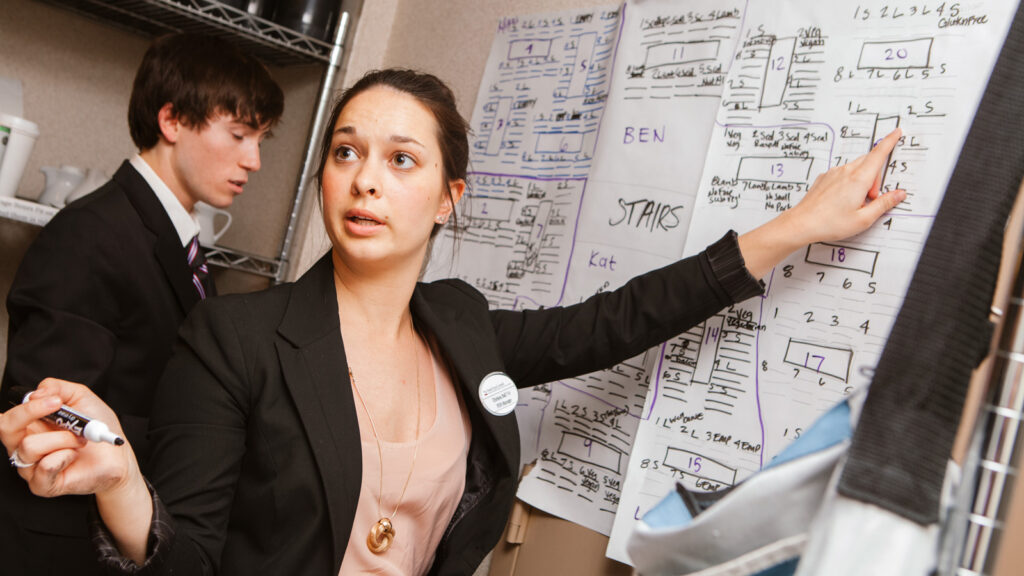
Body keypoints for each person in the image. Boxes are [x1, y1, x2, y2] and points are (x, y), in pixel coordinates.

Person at [0, 68, 904, 575]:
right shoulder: (234, 341)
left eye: (401, 159)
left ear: (447, 197)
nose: (365, 179)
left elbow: (611, 322)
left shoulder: (463, 326)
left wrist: (796, 230)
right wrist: (119, 484)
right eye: (346, 153)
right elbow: (187, 560)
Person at [0, 33, 283, 575]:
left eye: (261, 140)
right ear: (173, 121)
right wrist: (205, 443)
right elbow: (47, 409)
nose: (254, 160)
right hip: (59, 545)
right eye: (241, 135)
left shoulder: (173, 237)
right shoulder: (90, 234)